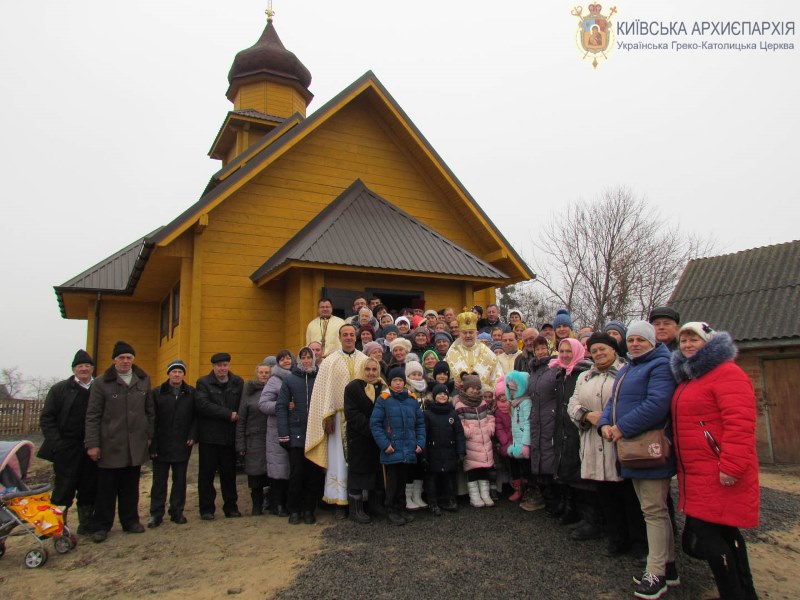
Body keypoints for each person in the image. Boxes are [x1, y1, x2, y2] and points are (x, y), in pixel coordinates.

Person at [670, 322, 759, 600]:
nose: (687, 345)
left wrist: (731, 466)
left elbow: (740, 423)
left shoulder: (726, 373)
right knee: (724, 532)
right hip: (697, 470)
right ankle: (743, 592)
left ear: (708, 342)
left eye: (693, 339)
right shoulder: (691, 377)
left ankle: (734, 592)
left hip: (718, 468)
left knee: (700, 539)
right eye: (683, 341)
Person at [599, 321, 679, 599]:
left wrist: (622, 428)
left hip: (649, 449)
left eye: (640, 340)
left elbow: (656, 405)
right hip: (632, 450)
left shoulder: (660, 365)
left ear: (652, 341)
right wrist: (604, 424)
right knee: (653, 510)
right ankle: (667, 566)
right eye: (631, 340)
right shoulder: (629, 367)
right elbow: (612, 402)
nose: (634, 344)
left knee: (654, 511)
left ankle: (655, 571)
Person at [567, 334, 645, 552]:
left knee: (629, 495)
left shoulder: (626, 372)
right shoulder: (584, 376)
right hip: (593, 438)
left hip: (619, 438)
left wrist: (611, 421)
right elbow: (572, 403)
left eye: (603, 348)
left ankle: (638, 543)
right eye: (595, 350)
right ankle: (616, 539)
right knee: (605, 494)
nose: (599, 353)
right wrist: (586, 415)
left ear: (614, 350)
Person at [85, 341, 154, 543]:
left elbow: (149, 411)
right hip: (110, 444)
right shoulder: (101, 383)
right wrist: (92, 443)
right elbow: (93, 415)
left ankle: (130, 521)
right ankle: (102, 525)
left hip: (135, 444)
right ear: (114, 360)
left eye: (129, 358)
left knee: (131, 486)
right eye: (122, 358)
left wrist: (149, 435)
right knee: (106, 488)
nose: (125, 361)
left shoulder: (142, 379)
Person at [306, 324, 368, 515]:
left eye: (351, 334)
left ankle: (360, 500)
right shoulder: (329, 361)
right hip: (338, 416)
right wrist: (328, 416)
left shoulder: (365, 359)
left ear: (356, 337)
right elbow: (323, 392)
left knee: (359, 458)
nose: (349, 337)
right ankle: (339, 501)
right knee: (338, 460)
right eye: (345, 335)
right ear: (340, 337)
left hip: (359, 417)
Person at [38, 349, 98, 535]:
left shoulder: (99, 388)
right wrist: (57, 444)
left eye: (87, 366)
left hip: (91, 446)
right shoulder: (59, 389)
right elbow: (47, 418)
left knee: (89, 486)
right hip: (67, 446)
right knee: (64, 488)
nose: (84, 369)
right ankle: (57, 526)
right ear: (74, 369)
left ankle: (86, 524)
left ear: (92, 368)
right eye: (80, 366)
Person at [369, 366, 426, 526]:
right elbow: (375, 424)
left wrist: (419, 443)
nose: (398, 383)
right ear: (390, 382)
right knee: (393, 481)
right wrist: (385, 444)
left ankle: (401, 507)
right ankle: (391, 509)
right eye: (395, 380)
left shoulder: (411, 400)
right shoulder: (384, 400)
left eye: (401, 380)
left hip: (408, 447)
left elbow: (420, 423)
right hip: (392, 448)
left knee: (403, 480)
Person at [194, 352, 244, 520]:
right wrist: (228, 414)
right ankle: (207, 508)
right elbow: (203, 405)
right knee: (206, 474)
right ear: (213, 367)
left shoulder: (237, 382)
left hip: (229, 437)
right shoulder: (203, 383)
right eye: (219, 366)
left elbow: (241, 405)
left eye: (225, 365)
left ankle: (231, 507)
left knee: (229, 474)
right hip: (209, 437)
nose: (222, 369)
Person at [148, 359, 196, 527]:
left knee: (180, 480)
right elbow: (151, 419)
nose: (177, 375)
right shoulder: (157, 393)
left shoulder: (190, 393)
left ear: (184, 374)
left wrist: (192, 434)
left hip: (182, 443)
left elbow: (195, 417)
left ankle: (177, 511)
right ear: (168, 374)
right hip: (161, 443)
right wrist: (152, 443)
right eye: (174, 372)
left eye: (180, 372)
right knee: (159, 481)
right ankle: (156, 513)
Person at [277, 347, 322, 525]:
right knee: (296, 474)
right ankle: (294, 509)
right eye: (303, 357)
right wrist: (284, 433)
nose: (306, 360)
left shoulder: (319, 378)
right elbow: (281, 406)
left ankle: (309, 509)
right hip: (296, 433)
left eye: (309, 357)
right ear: (299, 360)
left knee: (313, 474)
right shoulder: (290, 380)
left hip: (315, 434)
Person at [343, 356, 385, 524]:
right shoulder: (353, 387)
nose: (371, 373)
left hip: (378, 438)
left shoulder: (383, 387)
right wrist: (372, 428)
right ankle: (356, 509)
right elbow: (352, 413)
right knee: (358, 473)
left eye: (374, 369)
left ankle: (375, 505)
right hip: (360, 436)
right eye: (368, 369)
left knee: (376, 472)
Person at [525, 335, 560, 513]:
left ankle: (557, 501)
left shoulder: (555, 367)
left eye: (543, 348)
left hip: (550, 416)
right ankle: (548, 498)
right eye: (537, 349)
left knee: (550, 454)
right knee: (539, 452)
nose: (540, 352)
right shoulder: (534, 370)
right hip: (537, 417)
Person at [258, 350, 293, 517]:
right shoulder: (274, 380)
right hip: (277, 430)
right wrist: (283, 406)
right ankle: (277, 504)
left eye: (288, 358)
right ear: (278, 362)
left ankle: (287, 502)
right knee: (278, 469)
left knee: (290, 467)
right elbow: (264, 404)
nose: (286, 361)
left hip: (293, 429)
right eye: (283, 359)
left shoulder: (296, 377)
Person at [235, 358, 272, 516]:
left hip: (270, 437)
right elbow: (241, 419)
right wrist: (240, 444)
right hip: (253, 438)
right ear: (256, 374)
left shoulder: (275, 390)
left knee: (271, 474)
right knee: (255, 474)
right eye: (261, 372)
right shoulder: (249, 392)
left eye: (267, 373)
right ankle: (256, 506)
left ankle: (271, 504)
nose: (264, 375)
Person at [422, 383, 465, 515]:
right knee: (432, 479)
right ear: (434, 397)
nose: (442, 395)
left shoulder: (453, 414)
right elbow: (423, 434)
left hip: (449, 451)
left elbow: (459, 434)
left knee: (448, 478)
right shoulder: (427, 414)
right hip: (433, 452)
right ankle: (433, 503)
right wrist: (423, 455)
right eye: (439, 394)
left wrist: (461, 452)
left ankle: (450, 500)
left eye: (445, 394)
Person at [454, 374, 495, 508]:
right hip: (470, 441)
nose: (475, 391)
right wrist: (468, 431)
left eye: (477, 388)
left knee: (484, 468)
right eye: (471, 388)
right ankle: (474, 496)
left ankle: (485, 494)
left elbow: (490, 416)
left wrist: (490, 428)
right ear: (465, 389)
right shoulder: (460, 404)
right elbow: (458, 422)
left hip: (484, 440)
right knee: (472, 469)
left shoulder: (482, 402)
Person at [445, 311, 503, 390]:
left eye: (471, 332)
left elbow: (498, 375)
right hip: (458, 396)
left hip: (483, 397)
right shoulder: (451, 352)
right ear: (459, 334)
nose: (468, 335)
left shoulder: (487, 352)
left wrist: (490, 391)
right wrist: (452, 383)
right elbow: (444, 376)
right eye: (464, 333)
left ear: (477, 333)